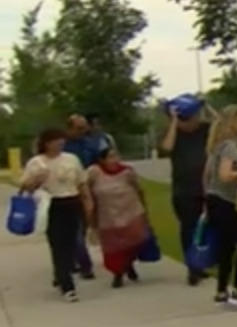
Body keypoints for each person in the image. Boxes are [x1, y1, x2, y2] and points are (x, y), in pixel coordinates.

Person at [19, 128, 92, 302]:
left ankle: (61, 273)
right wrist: (37, 179)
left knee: (74, 241)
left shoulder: (71, 159)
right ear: (46, 143)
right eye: (55, 140)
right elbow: (25, 187)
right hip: (52, 204)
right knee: (59, 245)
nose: (60, 143)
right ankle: (67, 285)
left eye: (61, 140)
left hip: (72, 201)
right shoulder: (37, 163)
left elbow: (81, 182)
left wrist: (88, 201)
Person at [204, 105, 237, 309]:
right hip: (224, 202)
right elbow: (225, 175)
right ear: (235, 122)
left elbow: (206, 175)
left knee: (227, 247)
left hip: (215, 200)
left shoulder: (216, 146)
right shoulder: (228, 147)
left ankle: (221, 291)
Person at [159, 99, 213, 286]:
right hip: (184, 191)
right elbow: (166, 148)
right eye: (190, 119)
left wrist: (206, 107)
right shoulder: (174, 134)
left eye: (196, 118)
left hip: (206, 188)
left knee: (206, 229)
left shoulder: (205, 130)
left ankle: (200, 263)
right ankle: (192, 268)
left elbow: (225, 128)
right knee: (188, 229)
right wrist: (174, 121)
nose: (194, 122)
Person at [86, 147, 149, 289]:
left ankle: (128, 264)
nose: (114, 160)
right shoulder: (94, 172)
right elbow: (85, 189)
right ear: (102, 159)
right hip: (107, 215)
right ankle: (118, 273)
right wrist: (89, 208)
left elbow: (139, 189)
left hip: (130, 211)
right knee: (112, 247)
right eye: (110, 157)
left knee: (134, 240)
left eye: (116, 156)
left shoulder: (127, 172)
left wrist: (144, 209)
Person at [63, 114, 109, 280]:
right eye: (79, 128)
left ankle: (76, 259)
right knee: (75, 229)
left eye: (85, 127)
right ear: (70, 128)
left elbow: (99, 164)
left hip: (89, 189)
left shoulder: (89, 144)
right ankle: (84, 264)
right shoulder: (62, 147)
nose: (84, 131)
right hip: (68, 191)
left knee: (84, 227)